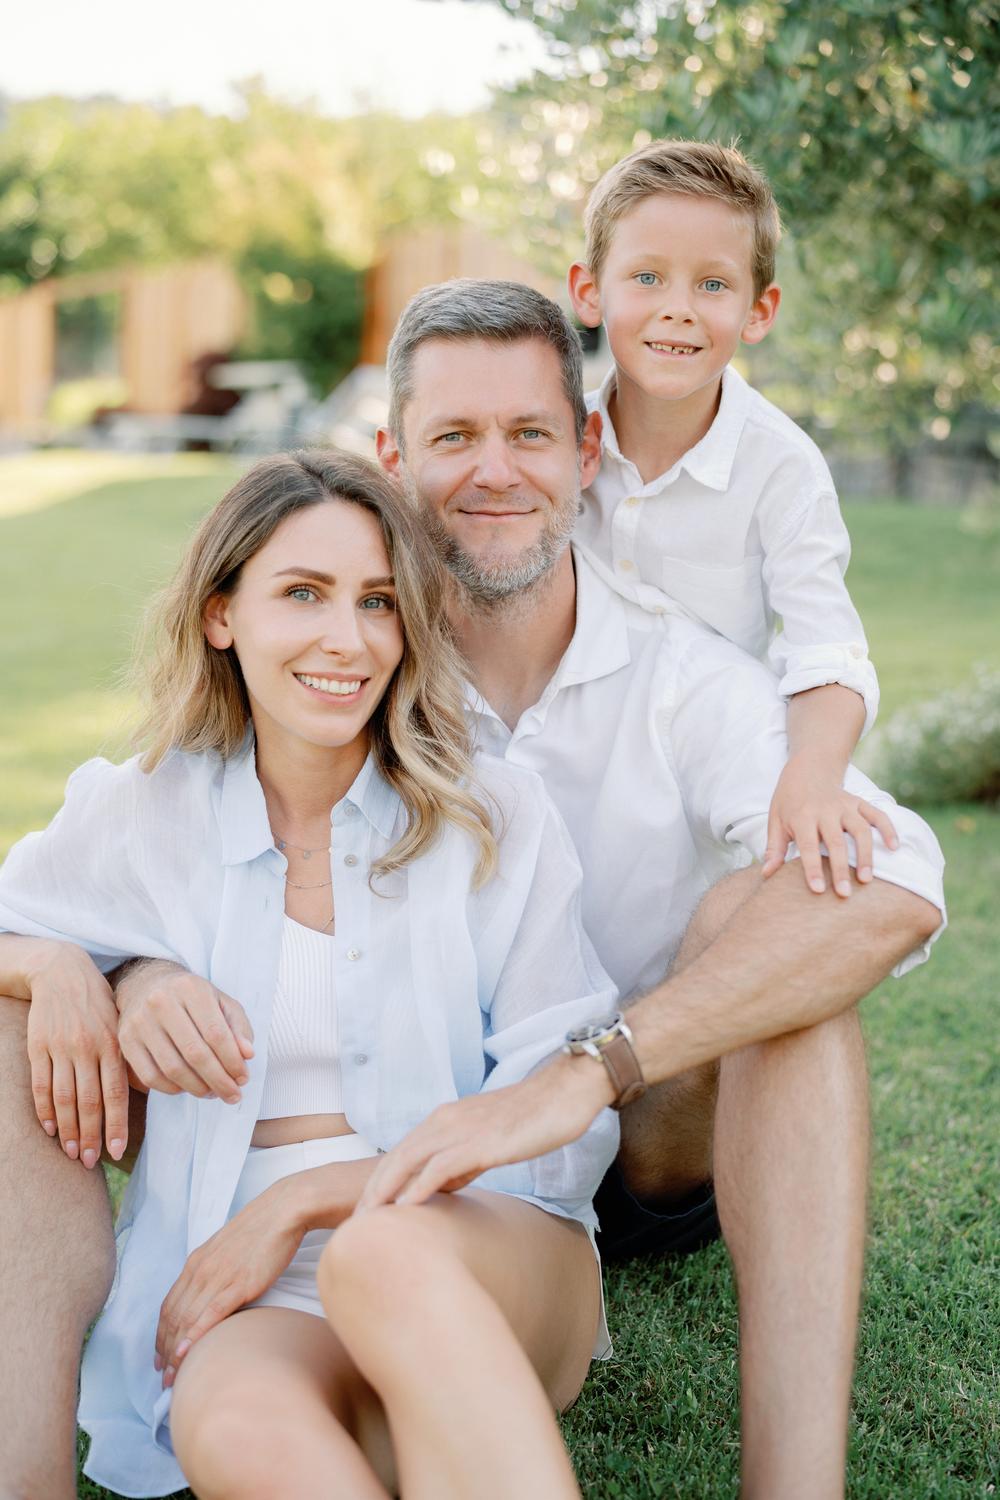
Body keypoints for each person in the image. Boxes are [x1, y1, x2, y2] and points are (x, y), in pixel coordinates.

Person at [357, 278, 945, 1500]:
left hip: (645, 1141)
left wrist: (592, 1073)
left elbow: (895, 875)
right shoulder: (330, 661)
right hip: (414, 1163)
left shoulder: (677, 672)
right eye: (452, 437)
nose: (494, 472)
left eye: (528, 433)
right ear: (390, 457)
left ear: (584, 451)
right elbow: (156, 849)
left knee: (777, 923)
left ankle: (795, 1486)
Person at [0, 451, 619, 1499]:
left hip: (478, 1246)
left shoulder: (490, 815)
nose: (349, 640)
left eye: (378, 602)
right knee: (231, 1423)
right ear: (219, 615)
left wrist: (312, 1203)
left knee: (383, 1254)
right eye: (303, 594)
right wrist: (61, 965)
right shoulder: (145, 810)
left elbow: (566, 1121)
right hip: (250, 1293)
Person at [567, 138, 891, 900]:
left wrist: (811, 778)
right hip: (567, 753)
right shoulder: (554, 440)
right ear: (590, 292)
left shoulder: (780, 466)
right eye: (646, 277)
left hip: (699, 769)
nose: (677, 307)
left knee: (837, 884)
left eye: (713, 283)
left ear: (758, 311)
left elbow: (829, 651)